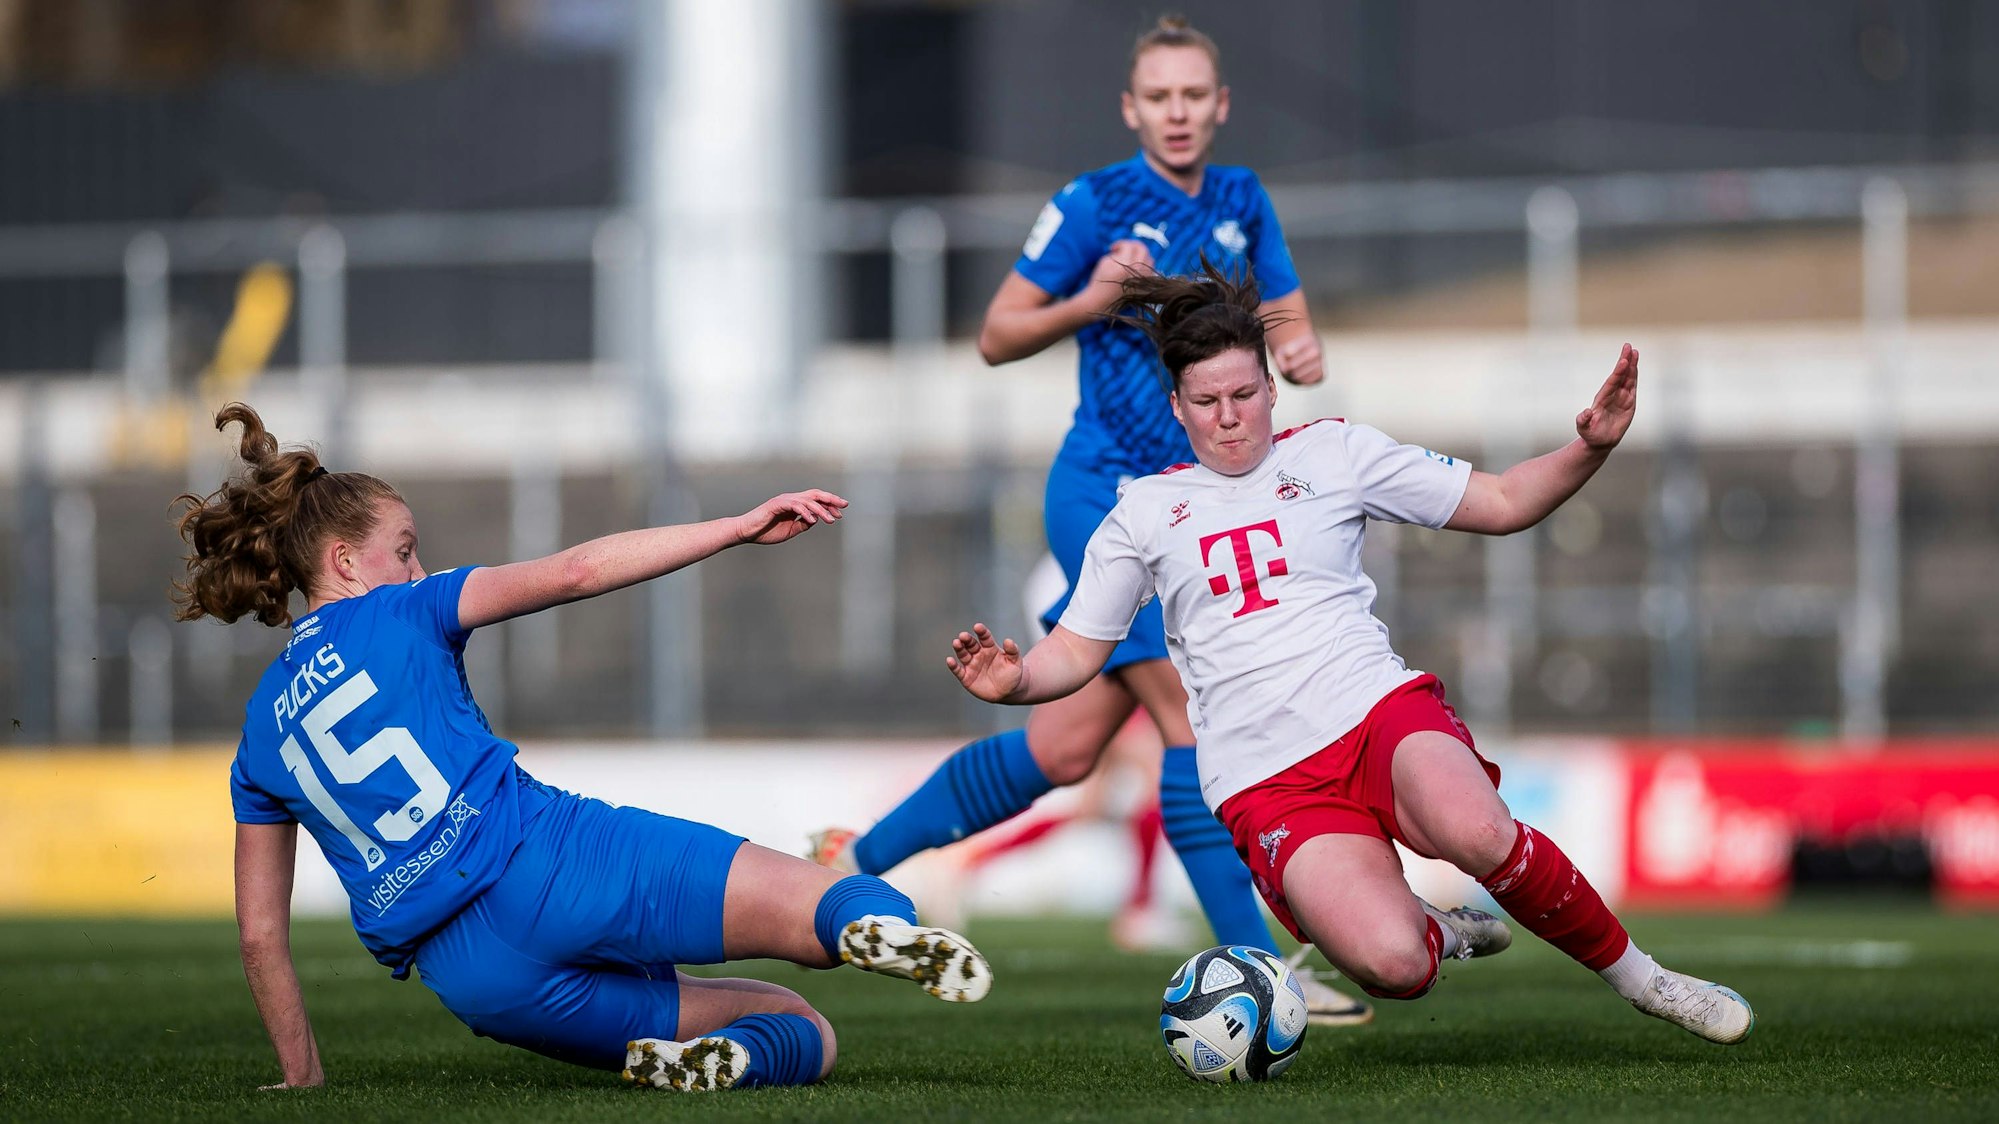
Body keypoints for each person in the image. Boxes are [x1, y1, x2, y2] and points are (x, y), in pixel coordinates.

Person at [942, 264, 1755, 1045]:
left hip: (1374, 713)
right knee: (1392, 964)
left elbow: (1504, 502)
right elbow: (1073, 654)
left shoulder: (1335, 454)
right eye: (1206, 401)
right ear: (1176, 408)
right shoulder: (1141, 513)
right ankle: (1434, 931)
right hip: (1267, 781)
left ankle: (1649, 983)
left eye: (1243, 393)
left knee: (1475, 833)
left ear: (1269, 385)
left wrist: (1591, 448)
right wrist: (1013, 682)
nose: (1229, 415)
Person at [808, 13, 1370, 1026]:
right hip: (1105, 496)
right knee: (1190, 718)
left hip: (1201, 504)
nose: (1178, 112)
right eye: (1159, 97)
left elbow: (1282, 305)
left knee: (1065, 748)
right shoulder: (1093, 202)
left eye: (1193, 95)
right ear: (1131, 107)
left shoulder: (1241, 197)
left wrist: (1299, 352)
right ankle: (1256, 961)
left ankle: (853, 862)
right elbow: (994, 333)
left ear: (1220, 103)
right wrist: (1089, 299)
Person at [175, 404, 992, 1095]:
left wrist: (302, 1077)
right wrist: (736, 527)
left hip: (477, 978)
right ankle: (874, 926)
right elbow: (575, 573)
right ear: (345, 562)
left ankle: (732, 1059)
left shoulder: (258, 739)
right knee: (819, 924)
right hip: (552, 859)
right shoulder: (406, 610)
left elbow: (259, 937)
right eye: (405, 547)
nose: (418, 566)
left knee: (779, 1021)